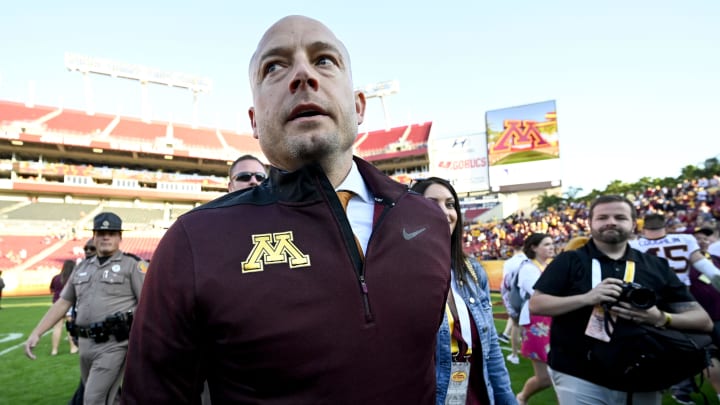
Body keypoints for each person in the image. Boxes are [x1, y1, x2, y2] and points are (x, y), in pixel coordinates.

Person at [121, 15, 451, 404]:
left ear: (359, 106)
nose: (303, 75)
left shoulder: (426, 219)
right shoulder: (195, 241)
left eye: (324, 60)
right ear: (254, 121)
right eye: (274, 66)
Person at [529, 195, 713, 405]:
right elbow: (536, 304)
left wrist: (661, 317)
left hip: (643, 373)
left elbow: (702, 320)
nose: (611, 222)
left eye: (620, 217)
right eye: (602, 217)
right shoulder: (568, 260)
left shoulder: (655, 265)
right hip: (578, 371)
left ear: (634, 224)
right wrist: (586, 298)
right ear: (590, 223)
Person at [411, 177, 516, 405]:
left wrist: (507, 399)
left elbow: (492, 350)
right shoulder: (397, 274)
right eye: (431, 203)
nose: (444, 212)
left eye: (450, 204)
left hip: (474, 391)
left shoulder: (472, 270)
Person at [25, 212, 147, 405]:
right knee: (110, 397)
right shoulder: (82, 269)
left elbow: (146, 306)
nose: (106, 237)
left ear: (120, 237)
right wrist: (37, 332)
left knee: (92, 399)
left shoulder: (133, 266)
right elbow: (63, 303)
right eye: (100, 233)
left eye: (112, 233)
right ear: (94, 236)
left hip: (114, 344)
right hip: (85, 345)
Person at [515, 233, 555, 405]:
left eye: (552, 243)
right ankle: (521, 397)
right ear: (534, 247)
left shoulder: (547, 266)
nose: (551, 247)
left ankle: (521, 398)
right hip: (537, 323)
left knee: (556, 375)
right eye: (546, 244)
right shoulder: (528, 268)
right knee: (546, 377)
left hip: (551, 321)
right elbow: (539, 294)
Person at [500, 239, 526, 365]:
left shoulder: (509, 262)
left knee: (516, 324)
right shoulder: (528, 260)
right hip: (527, 294)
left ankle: (515, 355)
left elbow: (506, 282)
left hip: (514, 294)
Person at [50, 260, 79, 356]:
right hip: (69, 304)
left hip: (56, 304)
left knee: (57, 327)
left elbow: (52, 289)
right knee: (70, 327)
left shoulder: (56, 278)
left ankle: (54, 350)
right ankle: (73, 348)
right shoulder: (73, 278)